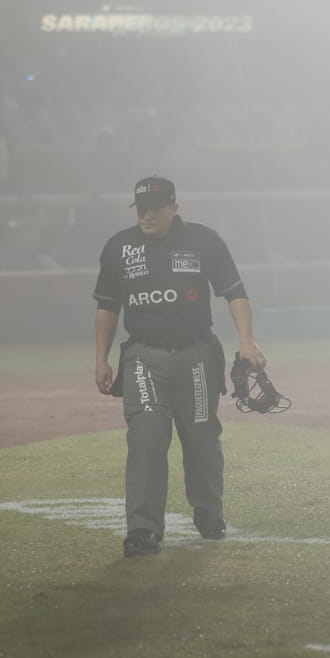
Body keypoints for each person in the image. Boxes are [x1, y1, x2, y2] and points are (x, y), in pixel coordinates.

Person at [93, 176, 266, 557]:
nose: (147, 215)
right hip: (143, 357)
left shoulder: (204, 241)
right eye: (141, 208)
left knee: (202, 438)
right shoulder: (119, 247)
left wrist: (247, 340)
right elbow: (107, 305)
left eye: (155, 207)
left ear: (175, 206)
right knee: (146, 437)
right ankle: (142, 529)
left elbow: (234, 292)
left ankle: (209, 512)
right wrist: (101, 358)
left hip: (197, 357)